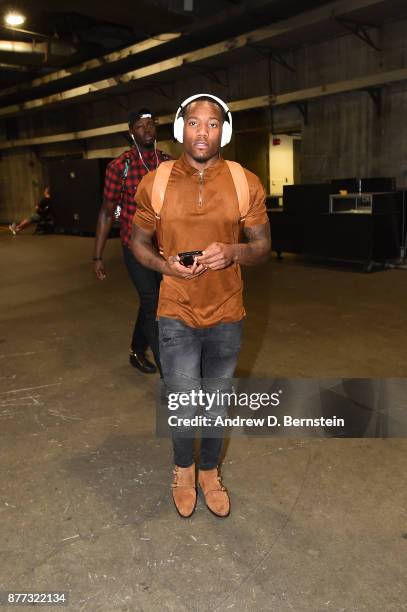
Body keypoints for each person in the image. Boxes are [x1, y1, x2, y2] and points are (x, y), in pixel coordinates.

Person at [131, 94, 271, 518]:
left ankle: (209, 471)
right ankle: (183, 469)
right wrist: (164, 265)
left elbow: (263, 246)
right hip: (175, 310)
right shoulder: (155, 182)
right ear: (180, 128)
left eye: (212, 124)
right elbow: (137, 243)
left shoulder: (245, 181)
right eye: (194, 123)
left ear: (223, 131)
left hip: (227, 312)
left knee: (216, 398)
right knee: (182, 399)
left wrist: (232, 252)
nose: (202, 132)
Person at [93, 109, 170, 375]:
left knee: (155, 300)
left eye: (151, 125)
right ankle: (170, 375)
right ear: (131, 132)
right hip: (135, 247)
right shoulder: (120, 168)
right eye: (140, 126)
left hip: (165, 248)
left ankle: (137, 351)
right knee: (153, 302)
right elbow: (106, 212)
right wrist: (98, 256)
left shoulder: (167, 164)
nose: (147, 130)